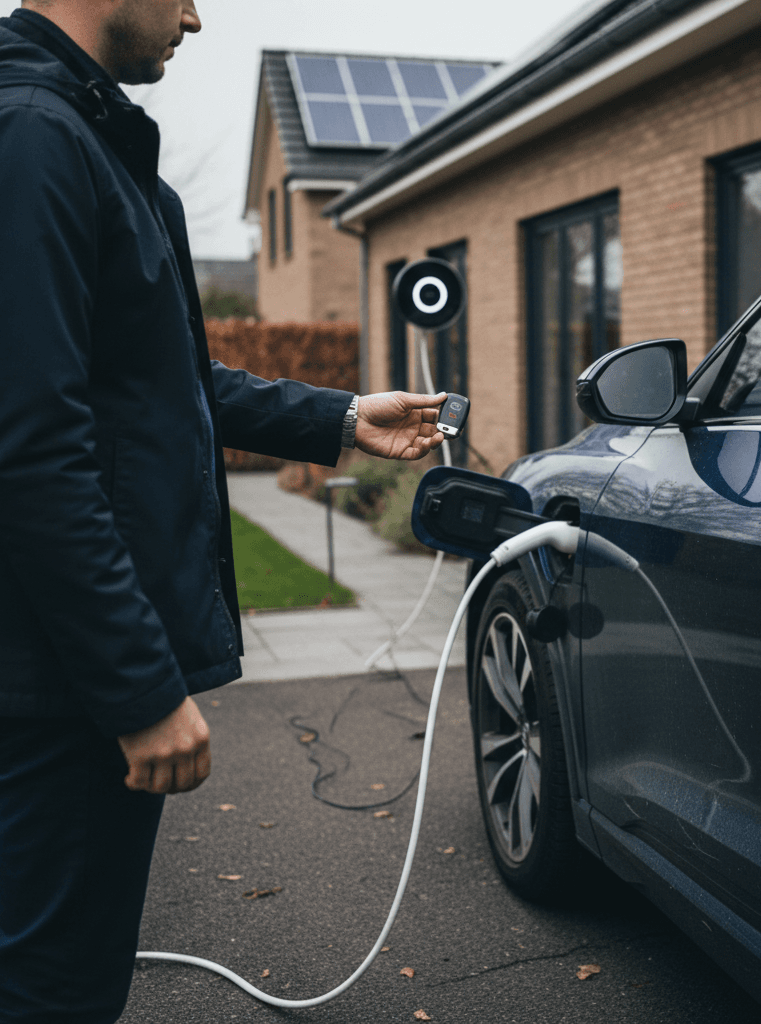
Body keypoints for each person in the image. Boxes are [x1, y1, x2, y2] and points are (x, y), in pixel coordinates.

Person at [0, 2, 444, 1020]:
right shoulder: (35, 133)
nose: (197, 17)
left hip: (63, 680)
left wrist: (336, 417)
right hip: (54, 691)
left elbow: (160, 382)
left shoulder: (88, 140)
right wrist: (138, 688)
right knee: (48, 987)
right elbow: (29, 450)